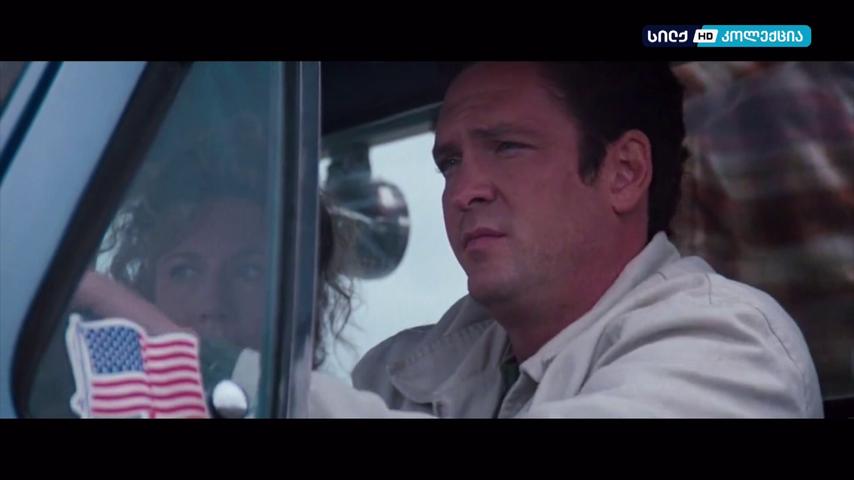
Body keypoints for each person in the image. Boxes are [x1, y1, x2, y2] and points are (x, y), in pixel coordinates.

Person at [308, 62, 823, 418]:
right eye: (450, 163)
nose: (463, 191)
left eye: (507, 147)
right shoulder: (398, 371)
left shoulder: (733, 347)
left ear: (625, 172)